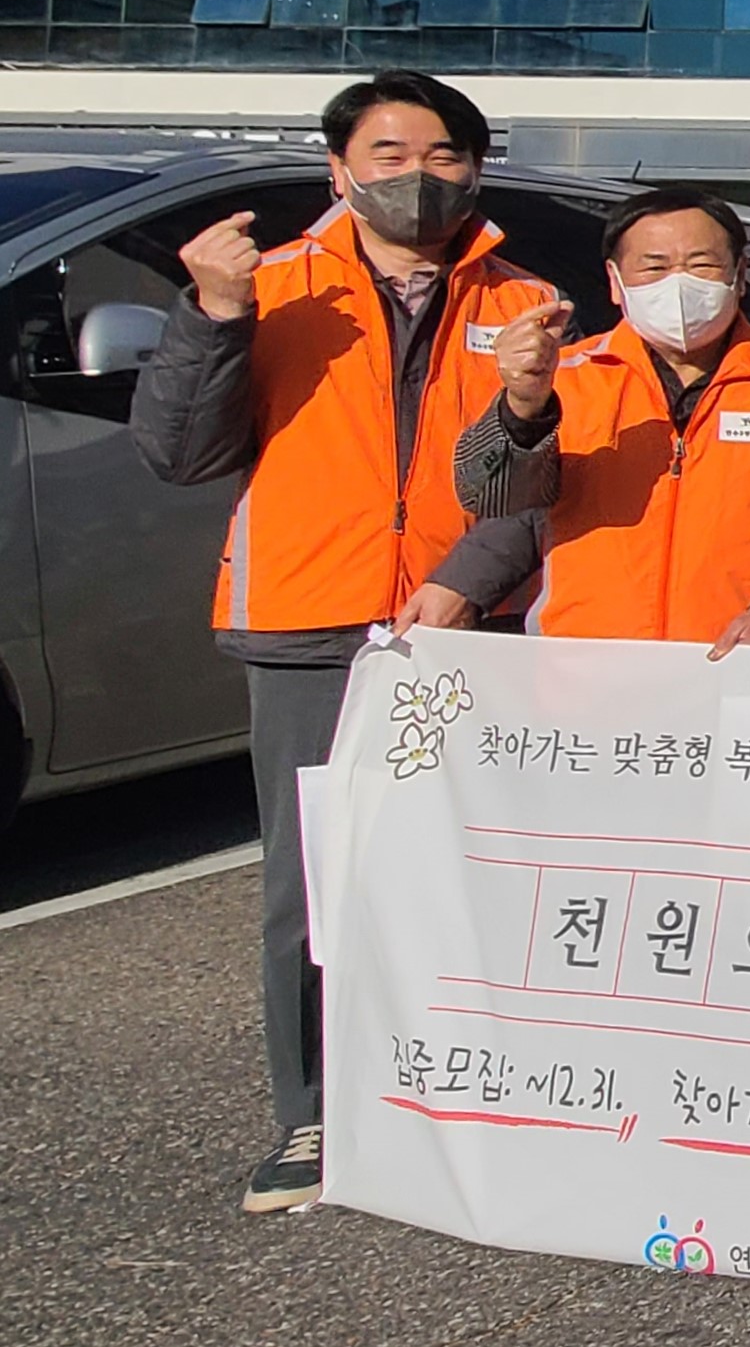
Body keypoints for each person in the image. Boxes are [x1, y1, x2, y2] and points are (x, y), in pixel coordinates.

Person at [126, 71, 564, 1213]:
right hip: (312, 624)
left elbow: (539, 476)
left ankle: (474, 1091)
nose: (416, 174)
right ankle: (316, 1109)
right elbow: (179, 452)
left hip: (472, 632)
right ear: (339, 168)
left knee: (476, 866)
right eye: (387, 151)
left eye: (444, 153)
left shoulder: (526, 303)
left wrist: (469, 583)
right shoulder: (266, 289)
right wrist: (208, 316)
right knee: (317, 878)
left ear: (477, 167)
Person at [446, 188, 750, 644]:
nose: (678, 283)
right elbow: (490, 496)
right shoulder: (567, 377)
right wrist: (522, 406)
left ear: (739, 276)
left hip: (738, 666)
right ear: (616, 282)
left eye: (701, 264)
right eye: (654, 267)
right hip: (584, 668)